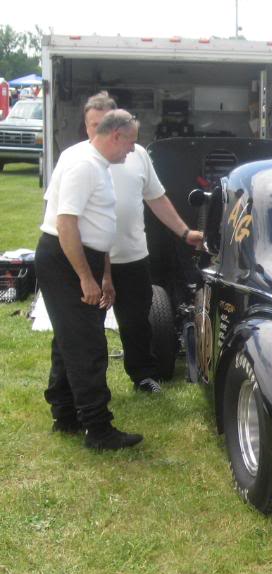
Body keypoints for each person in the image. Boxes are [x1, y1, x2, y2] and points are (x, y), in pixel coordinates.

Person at [35, 109, 143, 450]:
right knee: (87, 345)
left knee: (70, 339)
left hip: (86, 256)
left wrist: (104, 274)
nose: (131, 150)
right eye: (130, 143)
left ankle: (65, 413)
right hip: (68, 259)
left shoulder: (94, 161)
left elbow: (100, 222)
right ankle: (97, 429)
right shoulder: (83, 164)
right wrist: (85, 277)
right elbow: (66, 223)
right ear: (116, 136)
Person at [82, 92, 203, 393]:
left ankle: (143, 376)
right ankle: (86, 386)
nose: (97, 130)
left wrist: (185, 232)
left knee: (138, 322)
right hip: (94, 258)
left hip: (134, 256)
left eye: (102, 123)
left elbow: (157, 198)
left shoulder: (137, 156)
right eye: (91, 124)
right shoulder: (80, 160)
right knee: (87, 328)